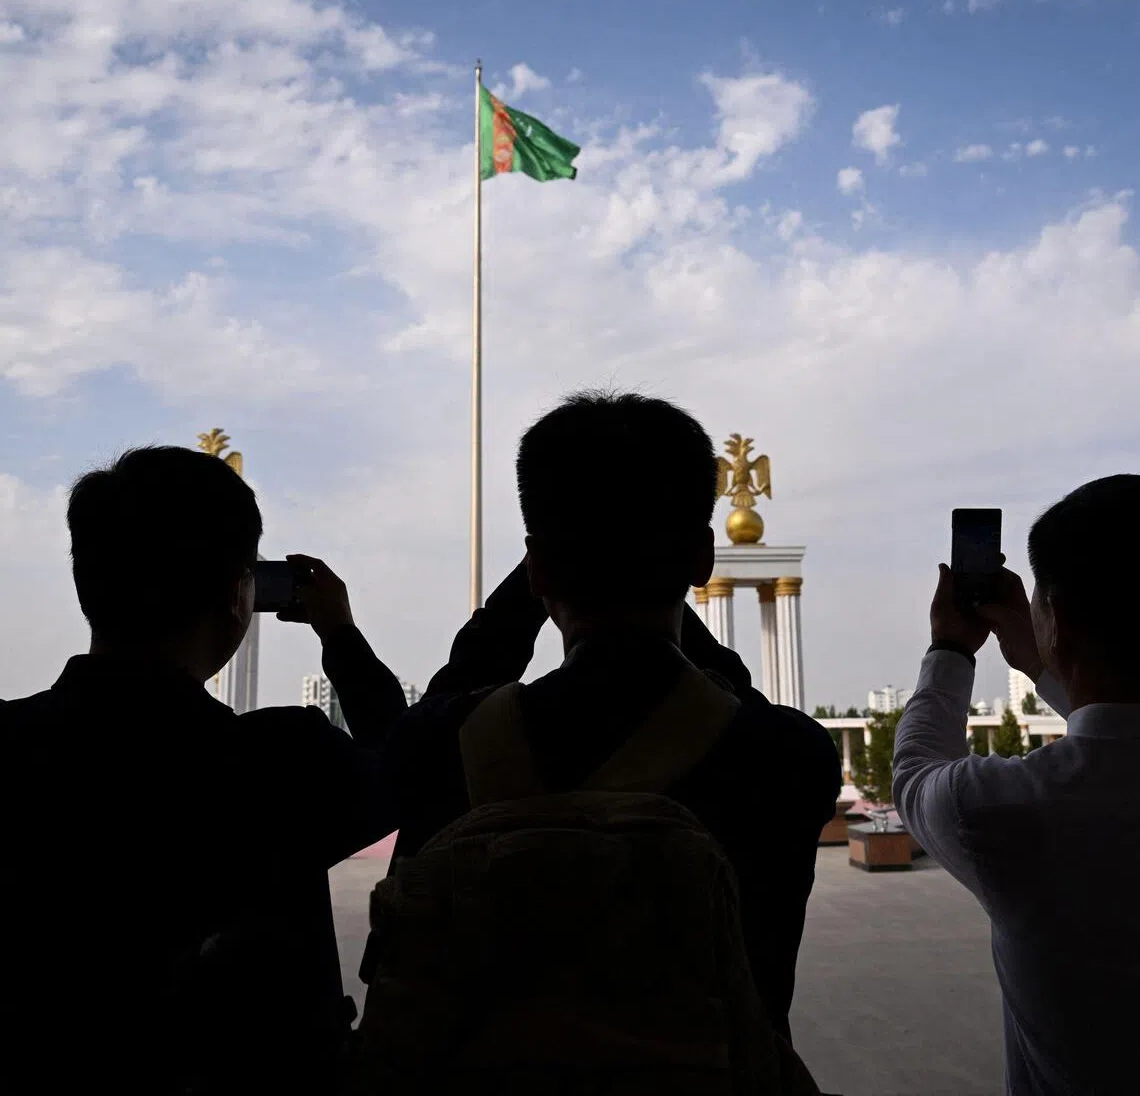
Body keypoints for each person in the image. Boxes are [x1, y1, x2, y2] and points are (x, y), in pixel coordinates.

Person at [335, 391, 841, 1045]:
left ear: (537, 568)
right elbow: (735, 695)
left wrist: (539, 578)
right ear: (700, 558)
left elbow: (436, 704)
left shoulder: (441, 746)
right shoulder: (784, 759)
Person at [0, 447, 407, 1096]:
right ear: (237, 593)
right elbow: (412, 780)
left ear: (87, 585)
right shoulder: (287, 764)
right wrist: (342, 637)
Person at [893, 475, 1140, 1096]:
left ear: (1054, 616)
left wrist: (952, 647)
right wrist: (1044, 658)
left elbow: (916, 769)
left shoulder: (1006, 811)